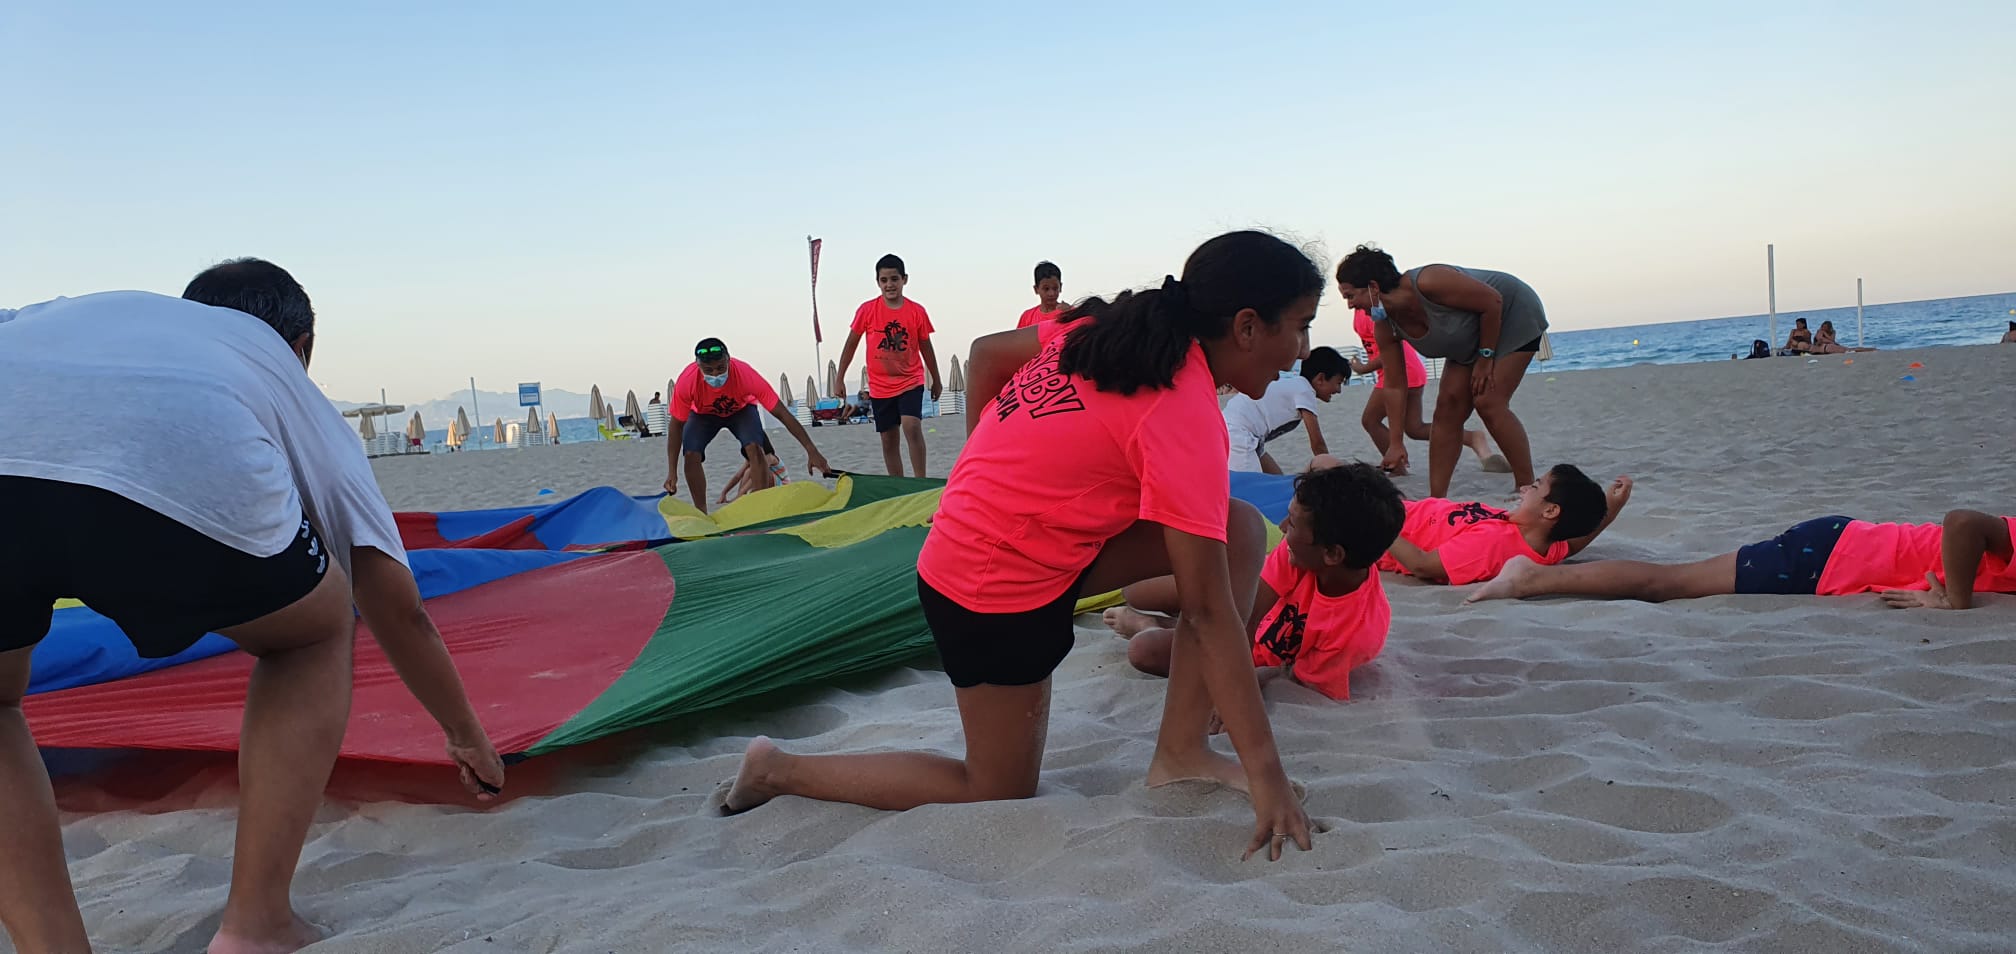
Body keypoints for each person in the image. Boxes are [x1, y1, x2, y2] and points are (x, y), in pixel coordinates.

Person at [724, 230, 1325, 861]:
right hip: (985, 588)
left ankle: (1181, 751)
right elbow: (1208, 611)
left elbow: (986, 354)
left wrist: (984, 469)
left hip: (1010, 544)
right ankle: (777, 769)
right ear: (1247, 326)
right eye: (1301, 326)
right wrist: (1267, 776)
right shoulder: (1183, 412)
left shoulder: (1105, 326)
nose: (1303, 350)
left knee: (1237, 530)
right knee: (995, 786)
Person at [0, 262, 504, 954]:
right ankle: (256, 924)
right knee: (312, 633)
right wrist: (466, 734)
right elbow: (392, 598)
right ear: (303, 347)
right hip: (173, 460)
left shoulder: (73, 316)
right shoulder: (273, 364)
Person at [1108, 461, 1405, 702]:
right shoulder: (1300, 556)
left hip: (1256, 652)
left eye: (1292, 523)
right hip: (1240, 615)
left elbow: (1291, 678)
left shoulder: (1356, 633)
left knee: (1144, 650)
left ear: (1332, 554)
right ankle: (1186, 620)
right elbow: (1246, 615)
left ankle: (1153, 624)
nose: (1283, 527)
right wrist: (1231, 685)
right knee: (1136, 592)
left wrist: (1238, 693)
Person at [1468, 510, 2016, 611]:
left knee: (1673, 583)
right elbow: (1963, 522)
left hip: (1838, 551)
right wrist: (1954, 600)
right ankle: (1531, 578)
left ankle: (1534, 578)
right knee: (1669, 585)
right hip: (1830, 557)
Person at [1335, 246, 1547, 499]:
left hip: (1513, 313)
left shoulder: (1429, 281)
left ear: (1373, 286)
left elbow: (1493, 302)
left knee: (1488, 401)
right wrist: (1396, 443)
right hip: (1471, 338)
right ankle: (1437, 499)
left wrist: (1485, 358)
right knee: (1447, 408)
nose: (1350, 305)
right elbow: (1394, 384)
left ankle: (1525, 485)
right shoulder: (1385, 325)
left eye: (1350, 296)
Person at [1380, 465, 1626, 586]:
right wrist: (1612, 507)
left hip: (1386, 523)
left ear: (1550, 511)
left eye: (1535, 487)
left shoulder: (1491, 545)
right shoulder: (1546, 545)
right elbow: (1573, 546)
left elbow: (1422, 565)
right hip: (1402, 508)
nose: (1524, 489)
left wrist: (1375, 518)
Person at [663, 338, 831, 512]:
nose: (715, 375)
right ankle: (701, 511)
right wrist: (672, 472)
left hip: (741, 411)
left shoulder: (745, 374)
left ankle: (761, 506)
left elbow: (782, 413)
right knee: (691, 454)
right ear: (698, 366)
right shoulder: (687, 381)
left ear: (729, 360)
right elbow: (676, 427)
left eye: (720, 368)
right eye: (708, 370)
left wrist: (812, 451)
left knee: (755, 448)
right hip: (703, 415)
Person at [1348, 302, 1506, 477]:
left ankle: (1396, 467)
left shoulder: (1375, 312)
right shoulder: (1362, 310)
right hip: (1410, 370)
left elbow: (1390, 350)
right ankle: (1472, 438)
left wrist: (1362, 368)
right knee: (1414, 429)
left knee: (1371, 420)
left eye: (1350, 294)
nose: (1348, 302)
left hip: (1400, 370)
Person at [834, 254, 943, 477]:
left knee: (911, 426)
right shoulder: (867, 310)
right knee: (888, 437)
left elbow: (926, 347)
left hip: (910, 379)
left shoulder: (916, 311)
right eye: (884, 280)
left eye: (894, 279)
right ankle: (898, 483)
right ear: (878, 282)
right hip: (880, 385)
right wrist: (839, 377)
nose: (889, 285)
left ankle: (920, 479)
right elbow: (851, 344)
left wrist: (937, 379)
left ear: (904, 279)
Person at [1222, 346, 1349, 474]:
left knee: (1277, 477)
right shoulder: (1305, 390)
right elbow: (1317, 443)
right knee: (1250, 485)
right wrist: (1332, 472)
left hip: (1243, 432)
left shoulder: (1297, 386)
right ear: (1320, 379)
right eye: (1338, 383)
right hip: (1239, 433)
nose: (1339, 390)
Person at [718, 435, 790, 505]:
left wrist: (740, 495)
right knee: (748, 471)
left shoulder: (769, 457)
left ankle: (741, 497)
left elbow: (757, 476)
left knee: (755, 471)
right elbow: (738, 476)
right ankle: (742, 497)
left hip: (782, 485)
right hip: (768, 483)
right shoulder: (753, 459)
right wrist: (724, 493)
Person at [1017, 260, 1066, 328]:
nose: (1051, 293)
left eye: (1055, 288)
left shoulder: (1068, 313)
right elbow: (1019, 335)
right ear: (1036, 289)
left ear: (1060, 287)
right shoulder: (1027, 317)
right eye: (1046, 289)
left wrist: (1069, 312)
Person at [1811, 320, 1876, 354]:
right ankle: (1870, 349)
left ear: (1829, 327)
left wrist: (1826, 335)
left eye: (1825, 327)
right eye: (1823, 327)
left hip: (1829, 346)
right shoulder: (1820, 331)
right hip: (1827, 347)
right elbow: (1820, 340)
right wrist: (1829, 340)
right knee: (1849, 350)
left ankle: (1870, 349)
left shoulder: (1832, 331)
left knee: (1849, 350)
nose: (1823, 328)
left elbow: (1832, 340)